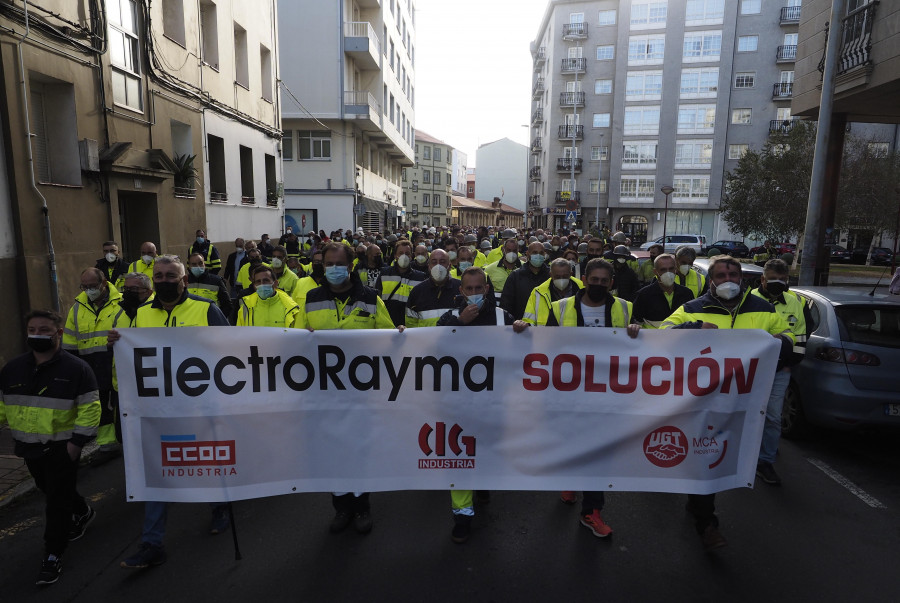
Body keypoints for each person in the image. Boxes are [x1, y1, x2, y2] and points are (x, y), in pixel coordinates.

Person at [661, 255, 795, 551]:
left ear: (742, 278)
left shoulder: (763, 309)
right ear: (711, 280)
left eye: (733, 274)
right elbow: (663, 336)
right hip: (701, 400)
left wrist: (773, 342)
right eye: (721, 275)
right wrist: (694, 329)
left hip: (742, 400)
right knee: (705, 455)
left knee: (727, 455)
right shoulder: (692, 309)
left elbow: (788, 340)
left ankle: (697, 502)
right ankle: (707, 523)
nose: (728, 280)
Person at [111, 255, 231, 569]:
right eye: (159, 275)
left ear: (184, 280)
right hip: (159, 409)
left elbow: (231, 352)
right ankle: (152, 544)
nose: (164, 280)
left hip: (201, 406)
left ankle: (219, 507)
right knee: (158, 472)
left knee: (205, 463)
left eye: (171, 275)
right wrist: (119, 341)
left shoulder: (206, 310)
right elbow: (135, 355)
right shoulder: (140, 315)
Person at [294, 242, 397, 535]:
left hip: (362, 394)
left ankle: (362, 505)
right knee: (331, 452)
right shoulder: (311, 298)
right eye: (328, 264)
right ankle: (341, 507)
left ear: (351, 266)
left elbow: (388, 341)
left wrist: (399, 336)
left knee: (359, 450)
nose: (334, 269)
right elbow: (298, 342)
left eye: (340, 264)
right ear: (322, 266)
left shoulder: (371, 298)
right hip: (324, 393)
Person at [538, 259, 639, 538]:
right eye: (593, 280)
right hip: (570, 391)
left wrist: (637, 333)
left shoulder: (624, 308)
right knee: (571, 442)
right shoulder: (560, 307)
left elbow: (644, 348)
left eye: (603, 281)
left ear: (611, 283)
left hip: (608, 393)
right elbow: (544, 346)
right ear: (584, 279)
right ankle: (572, 479)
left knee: (599, 451)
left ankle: (591, 511)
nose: (597, 285)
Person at [0, 310, 101, 585]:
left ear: (58, 333)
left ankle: (53, 554)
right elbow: (3, 404)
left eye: (44, 329)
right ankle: (82, 510)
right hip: (28, 448)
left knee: (56, 502)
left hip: (62, 448)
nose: (37, 334)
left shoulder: (77, 368)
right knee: (51, 489)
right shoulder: (13, 368)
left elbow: (90, 409)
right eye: (32, 329)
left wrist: (76, 443)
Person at [434, 267, 526, 543]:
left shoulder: (503, 317)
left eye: (479, 288)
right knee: (460, 457)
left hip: (495, 402)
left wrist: (523, 330)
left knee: (488, 449)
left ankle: (484, 483)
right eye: (469, 289)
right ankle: (462, 514)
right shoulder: (449, 318)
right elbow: (433, 349)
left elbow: (522, 353)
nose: (474, 293)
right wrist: (459, 324)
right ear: (461, 291)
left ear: (487, 289)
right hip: (459, 402)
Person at [750, 259, 807, 485]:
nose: (778, 283)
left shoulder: (795, 303)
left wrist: (789, 363)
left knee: (773, 416)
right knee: (748, 415)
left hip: (779, 370)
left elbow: (801, 337)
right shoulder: (748, 301)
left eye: (782, 280)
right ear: (763, 279)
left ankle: (765, 461)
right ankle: (743, 455)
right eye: (773, 279)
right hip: (750, 371)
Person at [62, 268, 123, 465]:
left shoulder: (120, 304)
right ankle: (107, 445)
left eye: (93, 286)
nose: (89, 290)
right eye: (85, 287)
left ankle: (118, 443)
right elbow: (70, 340)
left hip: (113, 364)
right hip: (88, 366)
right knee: (99, 406)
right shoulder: (77, 308)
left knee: (113, 407)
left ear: (103, 283)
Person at [631, 253, 694, 329]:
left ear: (675, 269)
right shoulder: (643, 295)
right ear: (655, 272)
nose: (668, 273)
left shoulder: (687, 294)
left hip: (679, 339)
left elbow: (692, 320)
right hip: (652, 339)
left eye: (671, 269)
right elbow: (635, 322)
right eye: (663, 270)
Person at [375, 239, 426, 327]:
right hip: (387, 325)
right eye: (401, 253)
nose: (404, 256)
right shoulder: (384, 273)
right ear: (395, 256)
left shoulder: (420, 277)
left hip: (410, 327)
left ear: (411, 256)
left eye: (407, 253)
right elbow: (377, 299)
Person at [406, 249, 462, 328]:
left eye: (442, 262)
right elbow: (411, 325)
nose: (438, 266)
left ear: (449, 266)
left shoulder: (461, 288)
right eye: (434, 262)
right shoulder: (417, 291)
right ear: (429, 266)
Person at [522, 258, 584, 326]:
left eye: (565, 276)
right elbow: (528, 321)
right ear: (551, 274)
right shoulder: (538, 293)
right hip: (546, 335)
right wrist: (524, 324)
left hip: (575, 335)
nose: (561, 279)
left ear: (571, 274)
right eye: (557, 277)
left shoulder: (582, 289)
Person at [235, 265, 301, 327]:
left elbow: (298, 331)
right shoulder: (246, 307)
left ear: (275, 283)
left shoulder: (290, 307)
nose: (262, 284)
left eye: (266, 280)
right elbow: (240, 332)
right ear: (254, 285)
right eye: (258, 281)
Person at [500, 241, 550, 320]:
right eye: (535, 252)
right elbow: (506, 305)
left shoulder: (550, 275)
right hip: (521, 326)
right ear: (527, 254)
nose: (538, 255)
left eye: (541, 253)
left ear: (544, 255)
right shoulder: (515, 276)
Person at [186, 253, 232, 318]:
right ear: (189, 266)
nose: (198, 266)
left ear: (204, 264)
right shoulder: (184, 282)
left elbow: (227, 305)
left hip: (211, 324)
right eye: (194, 264)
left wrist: (218, 319)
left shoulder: (216, 281)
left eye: (200, 263)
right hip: (190, 322)